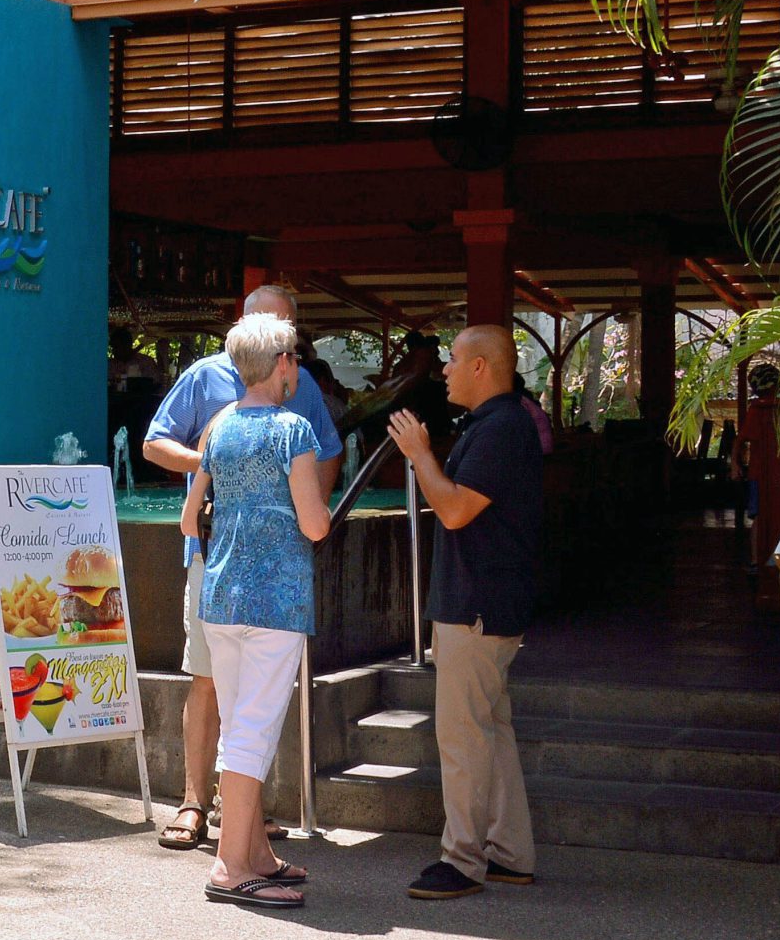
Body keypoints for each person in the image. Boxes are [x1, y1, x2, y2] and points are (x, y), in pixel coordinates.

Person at [140, 284, 345, 851]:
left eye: (287, 329)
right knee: (214, 684)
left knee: (250, 697)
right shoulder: (205, 379)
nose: (286, 346)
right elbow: (155, 444)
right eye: (274, 330)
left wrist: (301, 507)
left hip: (263, 565)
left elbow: (329, 454)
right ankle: (195, 804)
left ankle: (246, 815)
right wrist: (218, 465)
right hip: (218, 560)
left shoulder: (298, 396)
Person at [389, 324, 546, 900]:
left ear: (482, 367)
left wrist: (419, 455)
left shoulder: (503, 427)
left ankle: (462, 860)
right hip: (487, 602)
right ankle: (509, 853)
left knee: (464, 739)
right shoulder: (501, 424)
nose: (445, 368)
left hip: (476, 606)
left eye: (453, 359)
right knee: (491, 732)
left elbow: (454, 510)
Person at [181, 313, 333, 907]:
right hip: (275, 600)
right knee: (254, 729)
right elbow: (314, 523)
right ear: (282, 365)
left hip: (221, 594)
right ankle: (229, 866)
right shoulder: (293, 430)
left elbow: (191, 516)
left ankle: (255, 855)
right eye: (294, 357)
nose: (297, 366)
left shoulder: (219, 428)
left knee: (239, 724)